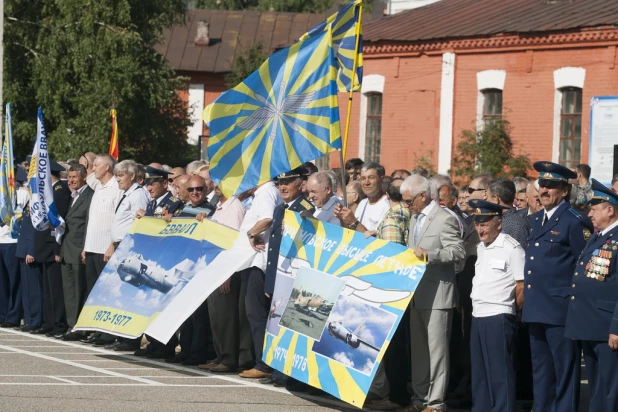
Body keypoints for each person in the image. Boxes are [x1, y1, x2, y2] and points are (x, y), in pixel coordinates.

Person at [523, 161, 592, 412]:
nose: (544, 190)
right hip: (536, 307)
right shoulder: (537, 219)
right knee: (541, 370)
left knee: (564, 372)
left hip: (561, 309)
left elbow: (583, 267)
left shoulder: (574, 221)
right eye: (542, 185)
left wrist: (577, 308)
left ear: (564, 191)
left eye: (551, 186)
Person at [400, 174, 465, 412]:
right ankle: (419, 400)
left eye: (409, 201)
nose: (407, 205)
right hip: (416, 293)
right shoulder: (415, 218)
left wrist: (431, 254)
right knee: (419, 352)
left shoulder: (445, 218)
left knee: (437, 352)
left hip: (438, 294)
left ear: (423, 196)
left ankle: (436, 403)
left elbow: (457, 251)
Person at [257, 168, 314, 388]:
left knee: (293, 327)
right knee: (277, 326)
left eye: (288, 182)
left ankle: (292, 375)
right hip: (279, 277)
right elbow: (274, 251)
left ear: (301, 184)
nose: (282, 187)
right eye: (280, 183)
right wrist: (271, 281)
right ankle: (280, 371)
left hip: (295, 278)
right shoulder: (280, 208)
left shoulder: (306, 209)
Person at [466, 199, 524, 412]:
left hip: (499, 314)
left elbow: (522, 285)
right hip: (478, 313)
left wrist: (515, 310)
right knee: (480, 373)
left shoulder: (511, 247)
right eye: (477, 223)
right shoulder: (481, 247)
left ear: (498, 223)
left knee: (500, 373)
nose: (480, 229)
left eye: (485, 223)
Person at [565, 179, 618, 411]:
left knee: (611, 386)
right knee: (596, 384)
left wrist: (616, 327)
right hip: (590, 322)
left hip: (607, 325)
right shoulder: (597, 236)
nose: (589, 214)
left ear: (610, 210)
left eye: (594, 209)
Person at [134, 166, 184, 357]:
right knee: (151, 303)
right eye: (146, 183)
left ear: (164, 183)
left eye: (152, 183)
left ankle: (166, 345)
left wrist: (146, 217)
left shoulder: (173, 203)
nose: (149, 188)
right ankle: (154, 342)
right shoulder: (152, 204)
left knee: (163, 305)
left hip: (166, 260)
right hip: (152, 258)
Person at [236, 179, 282, 378]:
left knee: (257, 315)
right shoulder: (262, 193)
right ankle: (263, 361)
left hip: (259, 262)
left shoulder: (266, 192)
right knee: (255, 315)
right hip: (253, 262)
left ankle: (263, 363)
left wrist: (251, 233)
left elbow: (266, 219)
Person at [198, 184, 246, 373]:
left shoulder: (234, 207)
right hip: (214, 269)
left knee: (226, 317)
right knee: (216, 317)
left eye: (222, 181)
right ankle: (220, 355)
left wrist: (228, 273)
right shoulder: (219, 206)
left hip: (226, 271)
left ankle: (229, 358)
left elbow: (234, 242)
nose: (217, 186)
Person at [105, 160, 150, 351]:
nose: (117, 179)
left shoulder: (138, 194)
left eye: (121, 175)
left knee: (130, 293)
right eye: (116, 175)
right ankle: (123, 335)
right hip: (120, 246)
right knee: (121, 293)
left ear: (132, 176)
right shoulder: (127, 194)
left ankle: (131, 338)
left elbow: (139, 222)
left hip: (131, 247)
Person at [80, 154, 120, 345]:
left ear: (107, 168)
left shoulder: (116, 189)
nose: (93, 168)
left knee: (106, 291)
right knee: (93, 291)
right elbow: (93, 221)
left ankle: (108, 332)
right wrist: (86, 247)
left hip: (106, 249)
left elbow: (117, 221)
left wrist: (112, 244)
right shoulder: (99, 187)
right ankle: (96, 329)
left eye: (96, 165)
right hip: (92, 248)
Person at [30, 161, 71, 337]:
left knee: (55, 289)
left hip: (53, 245)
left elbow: (58, 224)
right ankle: (48, 321)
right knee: (47, 289)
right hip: (44, 246)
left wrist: (57, 249)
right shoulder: (49, 192)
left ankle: (58, 323)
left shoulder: (59, 192)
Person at [58, 164, 94, 341]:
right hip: (67, 249)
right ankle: (72, 324)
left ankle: (80, 327)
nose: (71, 181)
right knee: (69, 291)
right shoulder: (71, 196)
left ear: (84, 177)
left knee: (79, 291)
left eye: (74, 177)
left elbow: (89, 224)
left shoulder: (90, 196)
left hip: (79, 250)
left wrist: (85, 248)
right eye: (69, 177)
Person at [334, 162, 390, 233]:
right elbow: (352, 232)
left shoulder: (387, 205)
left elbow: (377, 240)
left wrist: (353, 221)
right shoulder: (363, 203)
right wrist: (343, 218)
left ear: (382, 179)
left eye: (371, 177)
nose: (366, 183)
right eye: (363, 178)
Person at [486, 178, 530, 247]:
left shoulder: (515, 225)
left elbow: (519, 254)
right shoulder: (499, 220)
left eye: (487, 197)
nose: (486, 201)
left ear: (495, 199)